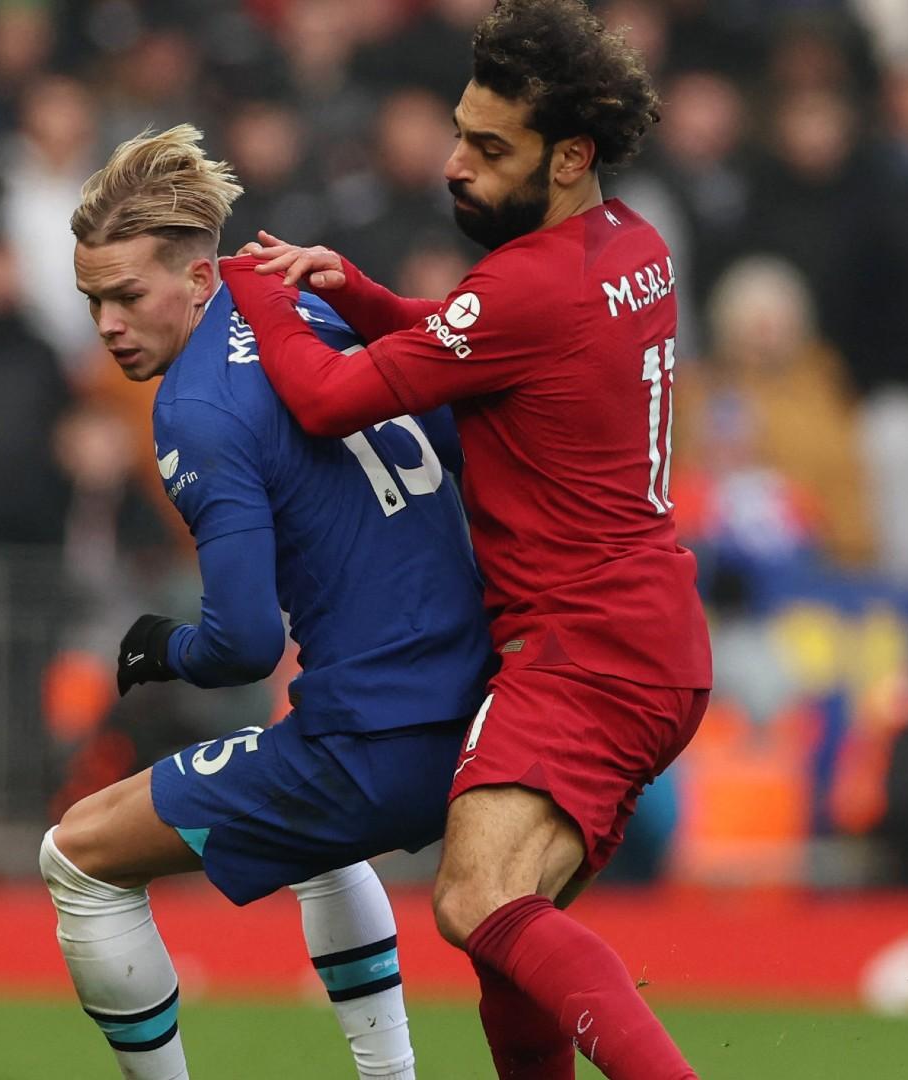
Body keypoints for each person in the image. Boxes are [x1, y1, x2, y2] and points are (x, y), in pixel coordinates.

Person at [220, 3, 711, 1076]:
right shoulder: (632, 244)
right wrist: (364, 293)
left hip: (582, 650)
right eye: (459, 133)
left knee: (475, 898)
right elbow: (484, 351)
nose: (454, 166)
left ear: (570, 155)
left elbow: (325, 401)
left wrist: (255, 297)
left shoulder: (522, 287)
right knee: (511, 939)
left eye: (489, 151)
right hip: (649, 638)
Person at [41, 126, 496, 1080]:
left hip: (372, 739)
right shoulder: (305, 309)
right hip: (480, 708)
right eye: (93, 302)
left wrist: (165, 649)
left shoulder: (196, 408)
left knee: (77, 855)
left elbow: (244, 642)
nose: (108, 325)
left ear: (200, 279)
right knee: (310, 833)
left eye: (128, 295)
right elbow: (461, 440)